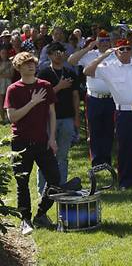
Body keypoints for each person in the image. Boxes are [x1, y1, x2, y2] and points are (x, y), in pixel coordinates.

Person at [84, 37, 132, 188]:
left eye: (128, 48)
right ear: (115, 52)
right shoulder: (108, 67)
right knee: (125, 147)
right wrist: (103, 55)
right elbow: (87, 71)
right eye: (121, 49)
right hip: (124, 112)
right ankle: (125, 180)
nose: (125, 51)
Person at [4, 52, 61, 234]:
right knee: (22, 183)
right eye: (26, 64)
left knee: (55, 179)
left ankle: (41, 214)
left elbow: (52, 114)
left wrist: (52, 138)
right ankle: (25, 220)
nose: (31, 66)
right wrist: (32, 102)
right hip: (20, 143)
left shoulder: (45, 86)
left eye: (32, 63)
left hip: (43, 142)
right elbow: (12, 116)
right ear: (18, 67)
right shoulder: (13, 89)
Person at [36, 43, 80, 192]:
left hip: (67, 118)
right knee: (47, 154)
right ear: (49, 55)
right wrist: (59, 87)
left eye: (61, 51)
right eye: (55, 52)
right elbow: (41, 97)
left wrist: (77, 117)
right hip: (48, 119)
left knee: (63, 155)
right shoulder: (43, 74)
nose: (59, 54)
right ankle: (43, 189)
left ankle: (61, 186)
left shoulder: (70, 72)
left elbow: (75, 96)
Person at [69, 30, 116, 166]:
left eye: (107, 40)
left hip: (111, 98)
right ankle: (96, 162)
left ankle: (106, 161)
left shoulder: (115, 55)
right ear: (97, 42)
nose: (104, 43)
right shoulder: (90, 55)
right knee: (94, 131)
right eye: (101, 40)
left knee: (108, 130)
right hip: (94, 99)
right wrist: (89, 47)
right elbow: (71, 60)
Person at [0, 45, 13, 123]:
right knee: (1, 102)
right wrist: (5, 68)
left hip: (8, 83)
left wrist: (1, 74)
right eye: (2, 53)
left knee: (8, 101)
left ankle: (8, 118)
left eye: (5, 53)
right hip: (1, 84)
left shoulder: (10, 62)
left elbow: (11, 75)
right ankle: (3, 118)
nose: (4, 55)